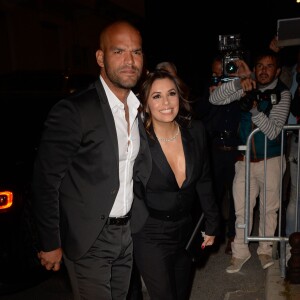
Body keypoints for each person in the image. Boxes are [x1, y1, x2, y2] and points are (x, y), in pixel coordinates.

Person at [31, 20, 147, 300]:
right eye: (119, 52)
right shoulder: (74, 110)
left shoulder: (139, 108)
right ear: (100, 57)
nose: (130, 61)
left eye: (137, 52)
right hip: (89, 238)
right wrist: (50, 242)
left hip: (127, 234)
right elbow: (46, 181)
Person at [130, 69, 220, 300]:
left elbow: (204, 179)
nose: (166, 102)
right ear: (146, 104)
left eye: (171, 93)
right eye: (156, 96)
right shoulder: (136, 140)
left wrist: (212, 221)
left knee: (181, 294)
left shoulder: (195, 131)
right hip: (150, 233)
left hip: (186, 230)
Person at [209, 49, 291, 273]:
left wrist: (254, 110)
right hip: (243, 160)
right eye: (260, 66)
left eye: (269, 66)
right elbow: (214, 98)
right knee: (241, 210)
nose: (264, 71)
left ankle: (265, 250)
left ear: (278, 70)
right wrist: (239, 83)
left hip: (271, 160)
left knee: (269, 209)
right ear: (254, 68)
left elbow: (273, 131)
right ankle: (240, 252)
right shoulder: (248, 86)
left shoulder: (283, 94)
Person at [196, 55, 240, 255]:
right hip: (214, 149)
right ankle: (210, 234)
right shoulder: (210, 89)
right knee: (212, 195)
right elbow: (199, 112)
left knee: (235, 197)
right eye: (214, 74)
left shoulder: (236, 87)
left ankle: (233, 237)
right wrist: (211, 96)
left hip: (236, 150)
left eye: (221, 73)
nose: (218, 78)